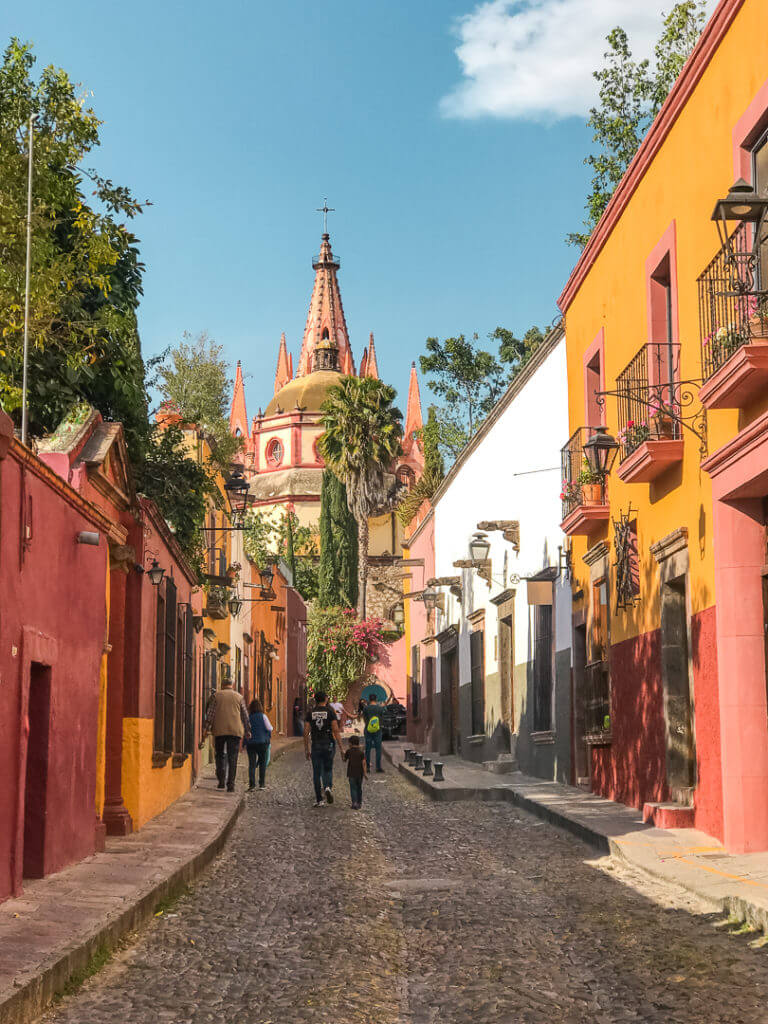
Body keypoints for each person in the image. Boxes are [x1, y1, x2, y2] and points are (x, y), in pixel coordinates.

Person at [202, 679, 251, 792]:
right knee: (233, 757)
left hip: (219, 730)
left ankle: (221, 781)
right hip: (235, 731)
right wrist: (248, 730)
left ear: (222, 685)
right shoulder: (239, 697)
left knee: (219, 755)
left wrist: (206, 728)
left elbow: (210, 714)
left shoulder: (216, 696)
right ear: (232, 685)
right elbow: (245, 715)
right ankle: (231, 785)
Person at [304, 690, 344, 807]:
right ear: (325, 699)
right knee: (328, 768)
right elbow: (336, 730)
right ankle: (327, 787)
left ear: (315, 700)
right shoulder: (330, 712)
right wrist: (341, 748)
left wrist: (307, 749)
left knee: (316, 773)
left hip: (316, 744)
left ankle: (319, 799)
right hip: (328, 744)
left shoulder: (310, 713)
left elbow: (306, 732)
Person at [245, 699, 273, 790]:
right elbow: (270, 728)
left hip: (251, 743)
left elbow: (246, 729)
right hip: (262, 743)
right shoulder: (263, 716)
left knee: (252, 764)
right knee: (262, 763)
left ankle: (252, 785)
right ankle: (262, 784)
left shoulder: (249, 717)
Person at [362, 693, 385, 773]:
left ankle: (367, 767)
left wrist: (368, 725)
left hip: (368, 729)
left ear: (369, 699)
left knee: (368, 749)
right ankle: (378, 767)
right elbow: (382, 719)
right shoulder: (380, 708)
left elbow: (364, 719)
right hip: (377, 730)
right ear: (376, 699)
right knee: (378, 749)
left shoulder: (366, 708)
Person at [342, 734, 367, 809]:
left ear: (350, 743)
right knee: (359, 788)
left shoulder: (348, 751)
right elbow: (364, 763)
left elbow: (344, 760)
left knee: (353, 788)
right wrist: (365, 773)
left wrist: (342, 754)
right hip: (360, 773)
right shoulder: (361, 752)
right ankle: (359, 803)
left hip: (351, 773)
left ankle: (354, 803)